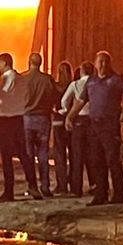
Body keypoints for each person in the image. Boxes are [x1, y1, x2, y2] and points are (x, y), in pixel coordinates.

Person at [70, 50, 123, 205]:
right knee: (96, 160)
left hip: (110, 125)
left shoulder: (115, 79)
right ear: (95, 63)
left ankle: (118, 195)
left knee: (113, 160)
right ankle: (101, 194)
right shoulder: (91, 82)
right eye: (100, 61)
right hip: (94, 125)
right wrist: (70, 116)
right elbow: (80, 101)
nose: (103, 64)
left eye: (106, 61)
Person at [0, 52, 43, 201]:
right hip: (19, 119)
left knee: (6, 157)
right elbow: (26, 97)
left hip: (5, 121)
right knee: (24, 155)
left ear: (5, 63)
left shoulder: (5, 80)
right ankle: (33, 186)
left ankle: (8, 191)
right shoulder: (22, 79)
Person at [22, 51, 58, 197]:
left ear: (29, 62)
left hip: (27, 119)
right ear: (41, 63)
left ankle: (32, 185)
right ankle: (45, 185)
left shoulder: (23, 79)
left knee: (28, 153)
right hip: (43, 118)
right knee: (43, 153)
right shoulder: (47, 79)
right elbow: (54, 96)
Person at [52, 62, 80, 195]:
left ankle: (62, 185)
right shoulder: (74, 85)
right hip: (72, 123)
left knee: (60, 154)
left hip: (58, 122)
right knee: (73, 154)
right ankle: (74, 184)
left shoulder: (55, 87)